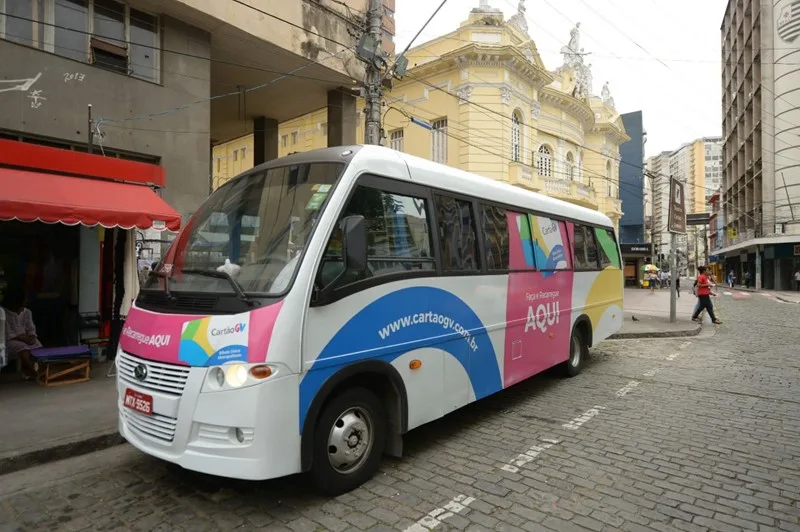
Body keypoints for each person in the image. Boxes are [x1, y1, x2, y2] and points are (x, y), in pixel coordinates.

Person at [3, 287, 43, 379]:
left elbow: (31, 327)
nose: (26, 301)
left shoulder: (27, 312)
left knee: (37, 345)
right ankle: (33, 371)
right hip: (11, 340)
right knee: (23, 348)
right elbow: (7, 333)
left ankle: (42, 369)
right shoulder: (4, 313)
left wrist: (32, 336)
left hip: (26, 337)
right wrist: (21, 338)